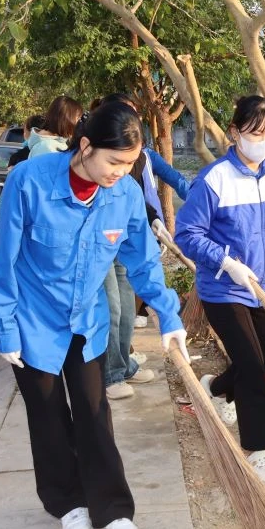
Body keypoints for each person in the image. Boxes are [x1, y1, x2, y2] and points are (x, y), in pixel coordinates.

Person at [0, 102, 188, 529]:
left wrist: (168, 314)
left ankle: (111, 507)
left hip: (86, 319)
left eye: (130, 164)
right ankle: (67, 503)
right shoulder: (29, 182)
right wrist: (4, 327)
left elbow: (143, 261)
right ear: (86, 145)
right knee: (48, 415)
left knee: (95, 412)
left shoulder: (125, 194)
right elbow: (3, 262)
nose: (120, 172)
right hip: (33, 318)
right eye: (114, 162)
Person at [174, 95, 265, 484]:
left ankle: (216, 389)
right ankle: (259, 449)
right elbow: (186, 233)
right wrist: (225, 262)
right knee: (254, 369)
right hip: (223, 290)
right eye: (255, 132)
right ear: (235, 133)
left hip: (263, 289)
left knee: (262, 360)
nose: (263, 140)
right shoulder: (214, 179)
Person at [95, 93, 191, 399]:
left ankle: (122, 366)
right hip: (98, 254)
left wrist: (168, 315)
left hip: (126, 238)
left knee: (124, 306)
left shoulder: (138, 162)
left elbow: (148, 191)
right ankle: (110, 373)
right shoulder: (43, 181)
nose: (122, 170)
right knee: (110, 306)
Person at [0, 113, 48, 228]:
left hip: (22, 214)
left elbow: (11, 187)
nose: (23, 133)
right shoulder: (60, 149)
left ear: (31, 132)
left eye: (24, 130)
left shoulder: (19, 157)